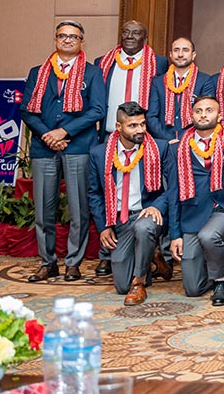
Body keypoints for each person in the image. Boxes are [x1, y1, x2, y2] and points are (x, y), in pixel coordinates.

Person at [21, 20, 105, 283]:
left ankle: (73, 263)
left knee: (79, 208)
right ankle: (48, 262)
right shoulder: (38, 72)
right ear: (55, 39)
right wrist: (49, 135)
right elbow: (26, 110)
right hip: (44, 147)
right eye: (63, 35)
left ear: (82, 42)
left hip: (78, 146)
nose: (68, 39)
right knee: (43, 209)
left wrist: (64, 132)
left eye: (74, 36)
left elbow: (97, 110)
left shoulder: (93, 73)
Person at [93, 20, 169, 277]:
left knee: (143, 191)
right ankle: (108, 253)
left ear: (145, 38)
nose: (129, 36)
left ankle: (151, 251)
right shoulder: (103, 62)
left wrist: (145, 129)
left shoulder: (159, 63)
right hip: (110, 135)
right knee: (109, 187)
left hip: (142, 137)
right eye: (125, 32)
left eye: (136, 33)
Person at [87, 102, 171, 306]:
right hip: (120, 218)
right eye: (133, 125)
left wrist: (157, 206)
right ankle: (152, 260)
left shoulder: (159, 148)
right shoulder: (99, 153)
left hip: (147, 213)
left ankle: (139, 283)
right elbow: (94, 193)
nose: (140, 130)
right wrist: (104, 227)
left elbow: (174, 187)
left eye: (142, 124)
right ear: (118, 127)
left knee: (143, 228)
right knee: (121, 285)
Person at [166, 96, 224, 305]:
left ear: (219, 116)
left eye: (209, 110)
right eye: (198, 111)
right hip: (193, 213)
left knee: (209, 235)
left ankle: (220, 281)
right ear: (191, 116)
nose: (203, 115)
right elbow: (173, 193)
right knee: (193, 289)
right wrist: (175, 235)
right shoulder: (177, 149)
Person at [145, 37, 215, 142]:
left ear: (193, 55)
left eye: (185, 50)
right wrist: (169, 139)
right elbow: (151, 117)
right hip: (164, 142)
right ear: (170, 54)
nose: (180, 54)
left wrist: (185, 139)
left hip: (193, 141)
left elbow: (206, 116)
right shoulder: (158, 82)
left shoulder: (205, 81)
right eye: (176, 50)